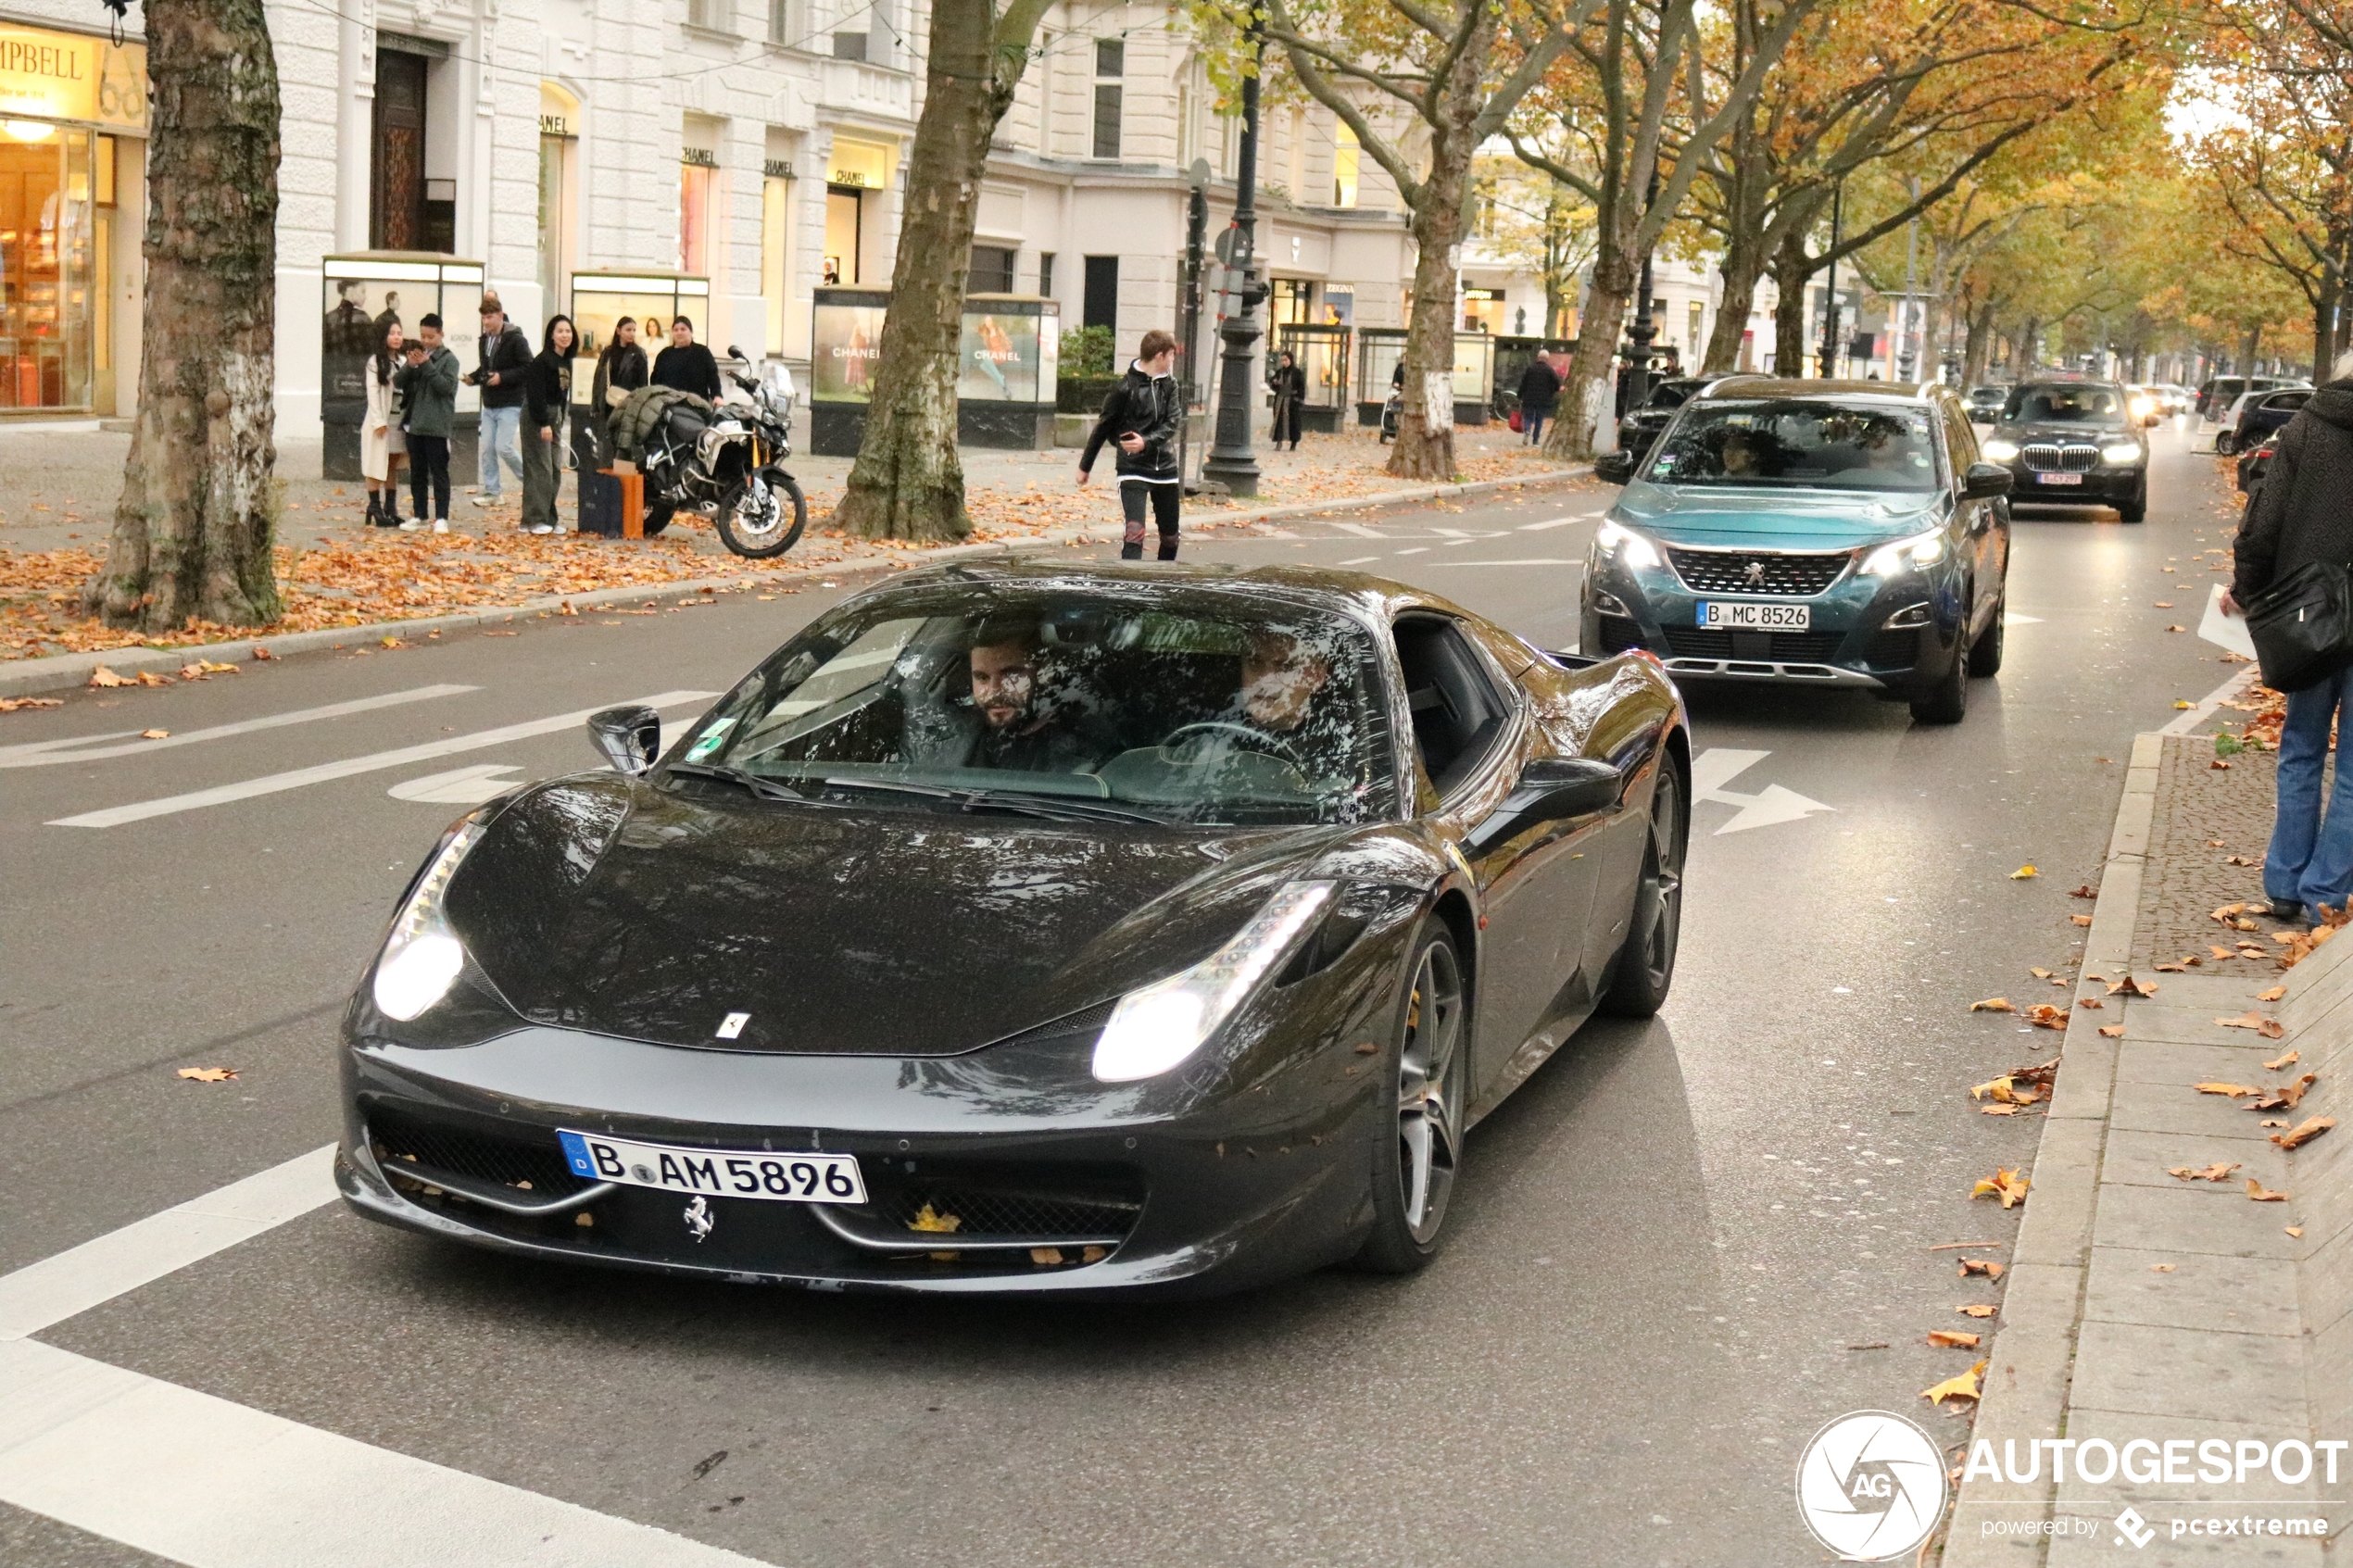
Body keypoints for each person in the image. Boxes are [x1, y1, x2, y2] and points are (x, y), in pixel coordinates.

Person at [2227, 347, 2353, 921]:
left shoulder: (2309, 425)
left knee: (2301, 748)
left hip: (2312, 615)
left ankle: (2284, 883)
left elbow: (2264, 518)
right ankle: (2324, 893)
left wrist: (2247, 588)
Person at [1078, 328, 1184, 561]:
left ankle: (1162, 584)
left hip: (1165, 468)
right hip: (1132, 469)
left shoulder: (1170, 385)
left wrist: (1145, 442)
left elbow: (1172, 423)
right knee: (1135, 533)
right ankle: (1130, 586)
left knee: (1170, 537)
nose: (1173, 360)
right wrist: (1085, 467)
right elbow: (1103, 426)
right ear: (1159, 356)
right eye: (1171, 355)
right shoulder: (1124, 387)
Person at [963, 621, 1102, 772]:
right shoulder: (951, 732)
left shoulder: (1083, 758)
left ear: (1044, 674)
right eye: (982, 677)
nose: (993, 691)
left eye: (1011, 675)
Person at [465, 293, 532, 508]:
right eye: (483, 318)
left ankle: (530, 481)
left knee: (503, 446)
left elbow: (528, 367)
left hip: (510, 402)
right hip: (490, 402)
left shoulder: (516, 339)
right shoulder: (484, 340)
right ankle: (493, 492)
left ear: (500, 316)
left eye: (490, 317)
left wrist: (503, 377)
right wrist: (474, 378)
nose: (486, 322)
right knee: (487, 449)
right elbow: (486, 368)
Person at [395, 313, 459, 533]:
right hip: (414, 424)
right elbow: (398, 382)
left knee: (439, 472)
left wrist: (427, 365)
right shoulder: (417, 355)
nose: (426, 341)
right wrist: (410, 366)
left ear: (440, 334)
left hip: (436, 425)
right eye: (423, 336)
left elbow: (446, 388)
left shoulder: (449, 360)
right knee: (417, 473)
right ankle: (420, 514)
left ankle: (442, 517)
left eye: (430, 337)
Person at [521, 315, 575, 535]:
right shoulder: (542, 361)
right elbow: (535, 395)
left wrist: (559, 419)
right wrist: (543, 423)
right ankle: (532, 520)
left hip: (556, 417)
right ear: (551, 335)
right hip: (537, 417)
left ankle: (549, 519)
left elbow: (562, 395)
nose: (565, 335)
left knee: (554, 469)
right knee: (539, 469)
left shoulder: (566, 361)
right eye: (560, 331)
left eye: (568, 331)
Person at [361, 315, 409, 528]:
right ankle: (374, 505)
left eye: (399, 333)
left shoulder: (403, 361)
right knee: (375, 462)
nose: (397, 337)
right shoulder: (375, 362)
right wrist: (378, 420)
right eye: (392, 333)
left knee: (392, 462)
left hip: (399, 418)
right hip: (381, 419)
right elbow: (372, 392)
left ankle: (391, 506)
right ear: (384, 336)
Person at [652, 315, 722, 401]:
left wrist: (717, 395)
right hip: (669, 404)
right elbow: (655, 380)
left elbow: (713, 376)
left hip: (697, 404)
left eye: (683, 329)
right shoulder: (664, 354)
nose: (679, 332)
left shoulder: (702, 352)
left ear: (691, 332)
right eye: (676, 330)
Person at [1516, 349, 1561, 445]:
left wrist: (1519, 395)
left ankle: (1527, 429)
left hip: (1529, 398)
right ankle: (1535, 440)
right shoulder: (1549, 370)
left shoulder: (1530, 368)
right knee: (1539, 419)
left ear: (1538, 357)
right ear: (1547, 359)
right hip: (1543, 399)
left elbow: (1523, 383)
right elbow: (1557, 383)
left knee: (1528, 416)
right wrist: (1553, 391)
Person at [1267, 350, 1306, 450]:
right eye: (1282, 360)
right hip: (1280, 400)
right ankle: (1279, 442)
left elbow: (1301, 387)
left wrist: (1299, 399)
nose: (1284, 362)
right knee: (1279, 421)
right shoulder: (1280, 372)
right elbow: (1272, 382)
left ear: (1290, 360)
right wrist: (1274, 383)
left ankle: (1293, 444)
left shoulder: (1297, 372)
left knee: (1293, 422)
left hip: (1292, 401)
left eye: (1286, 360)